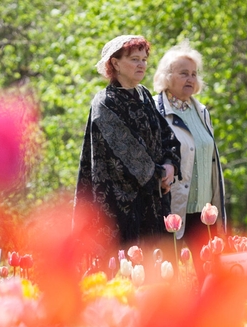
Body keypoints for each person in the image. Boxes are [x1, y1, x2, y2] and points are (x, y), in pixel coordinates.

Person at [73, 35, 181, 263]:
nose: (142, 64)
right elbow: (127, 153)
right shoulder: (105, 102)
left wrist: (170, 163)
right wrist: (159, 175)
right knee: (125, 272)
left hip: (153, 199)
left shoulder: (144, 96)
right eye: (134, 59)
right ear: (115, 63)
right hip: (121, 206)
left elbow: (165, 134)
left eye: (144, 59)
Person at [153, 40, 226, 282]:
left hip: (204, 211)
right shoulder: (155, 109)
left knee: (211, 280)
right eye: (183, 73)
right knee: (169, 281)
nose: (190, 79)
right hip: (173, 209)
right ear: (166, 76)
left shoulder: (201, 111)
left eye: (194, 74)